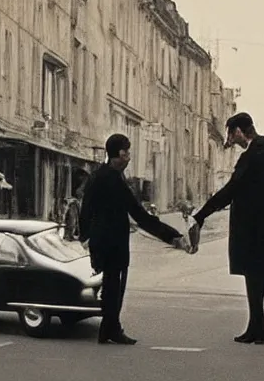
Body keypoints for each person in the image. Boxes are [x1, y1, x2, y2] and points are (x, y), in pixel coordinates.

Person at [79, 133, 193, 345]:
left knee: (111, 286)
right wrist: (173, 237)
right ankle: (112, 329)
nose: (129, 157)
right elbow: (139, 215)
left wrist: (85, 237)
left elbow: (86, 208)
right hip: (112, 243)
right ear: (118, 154)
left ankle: (108, 329)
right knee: (115, 287)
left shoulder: (99, 176)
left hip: (103, 241)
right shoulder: (113, 178)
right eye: (127, 153)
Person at [188, 112, 264, 345]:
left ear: (238, 131)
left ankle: (259, 326)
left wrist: (201, 215)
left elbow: (232, 189)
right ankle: (256, 327)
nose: (230, 139)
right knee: (252, 273)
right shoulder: (259, 149)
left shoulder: (259, 149)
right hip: (253, 221)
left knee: (254, 273)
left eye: (231, 133)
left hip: (254, 223)